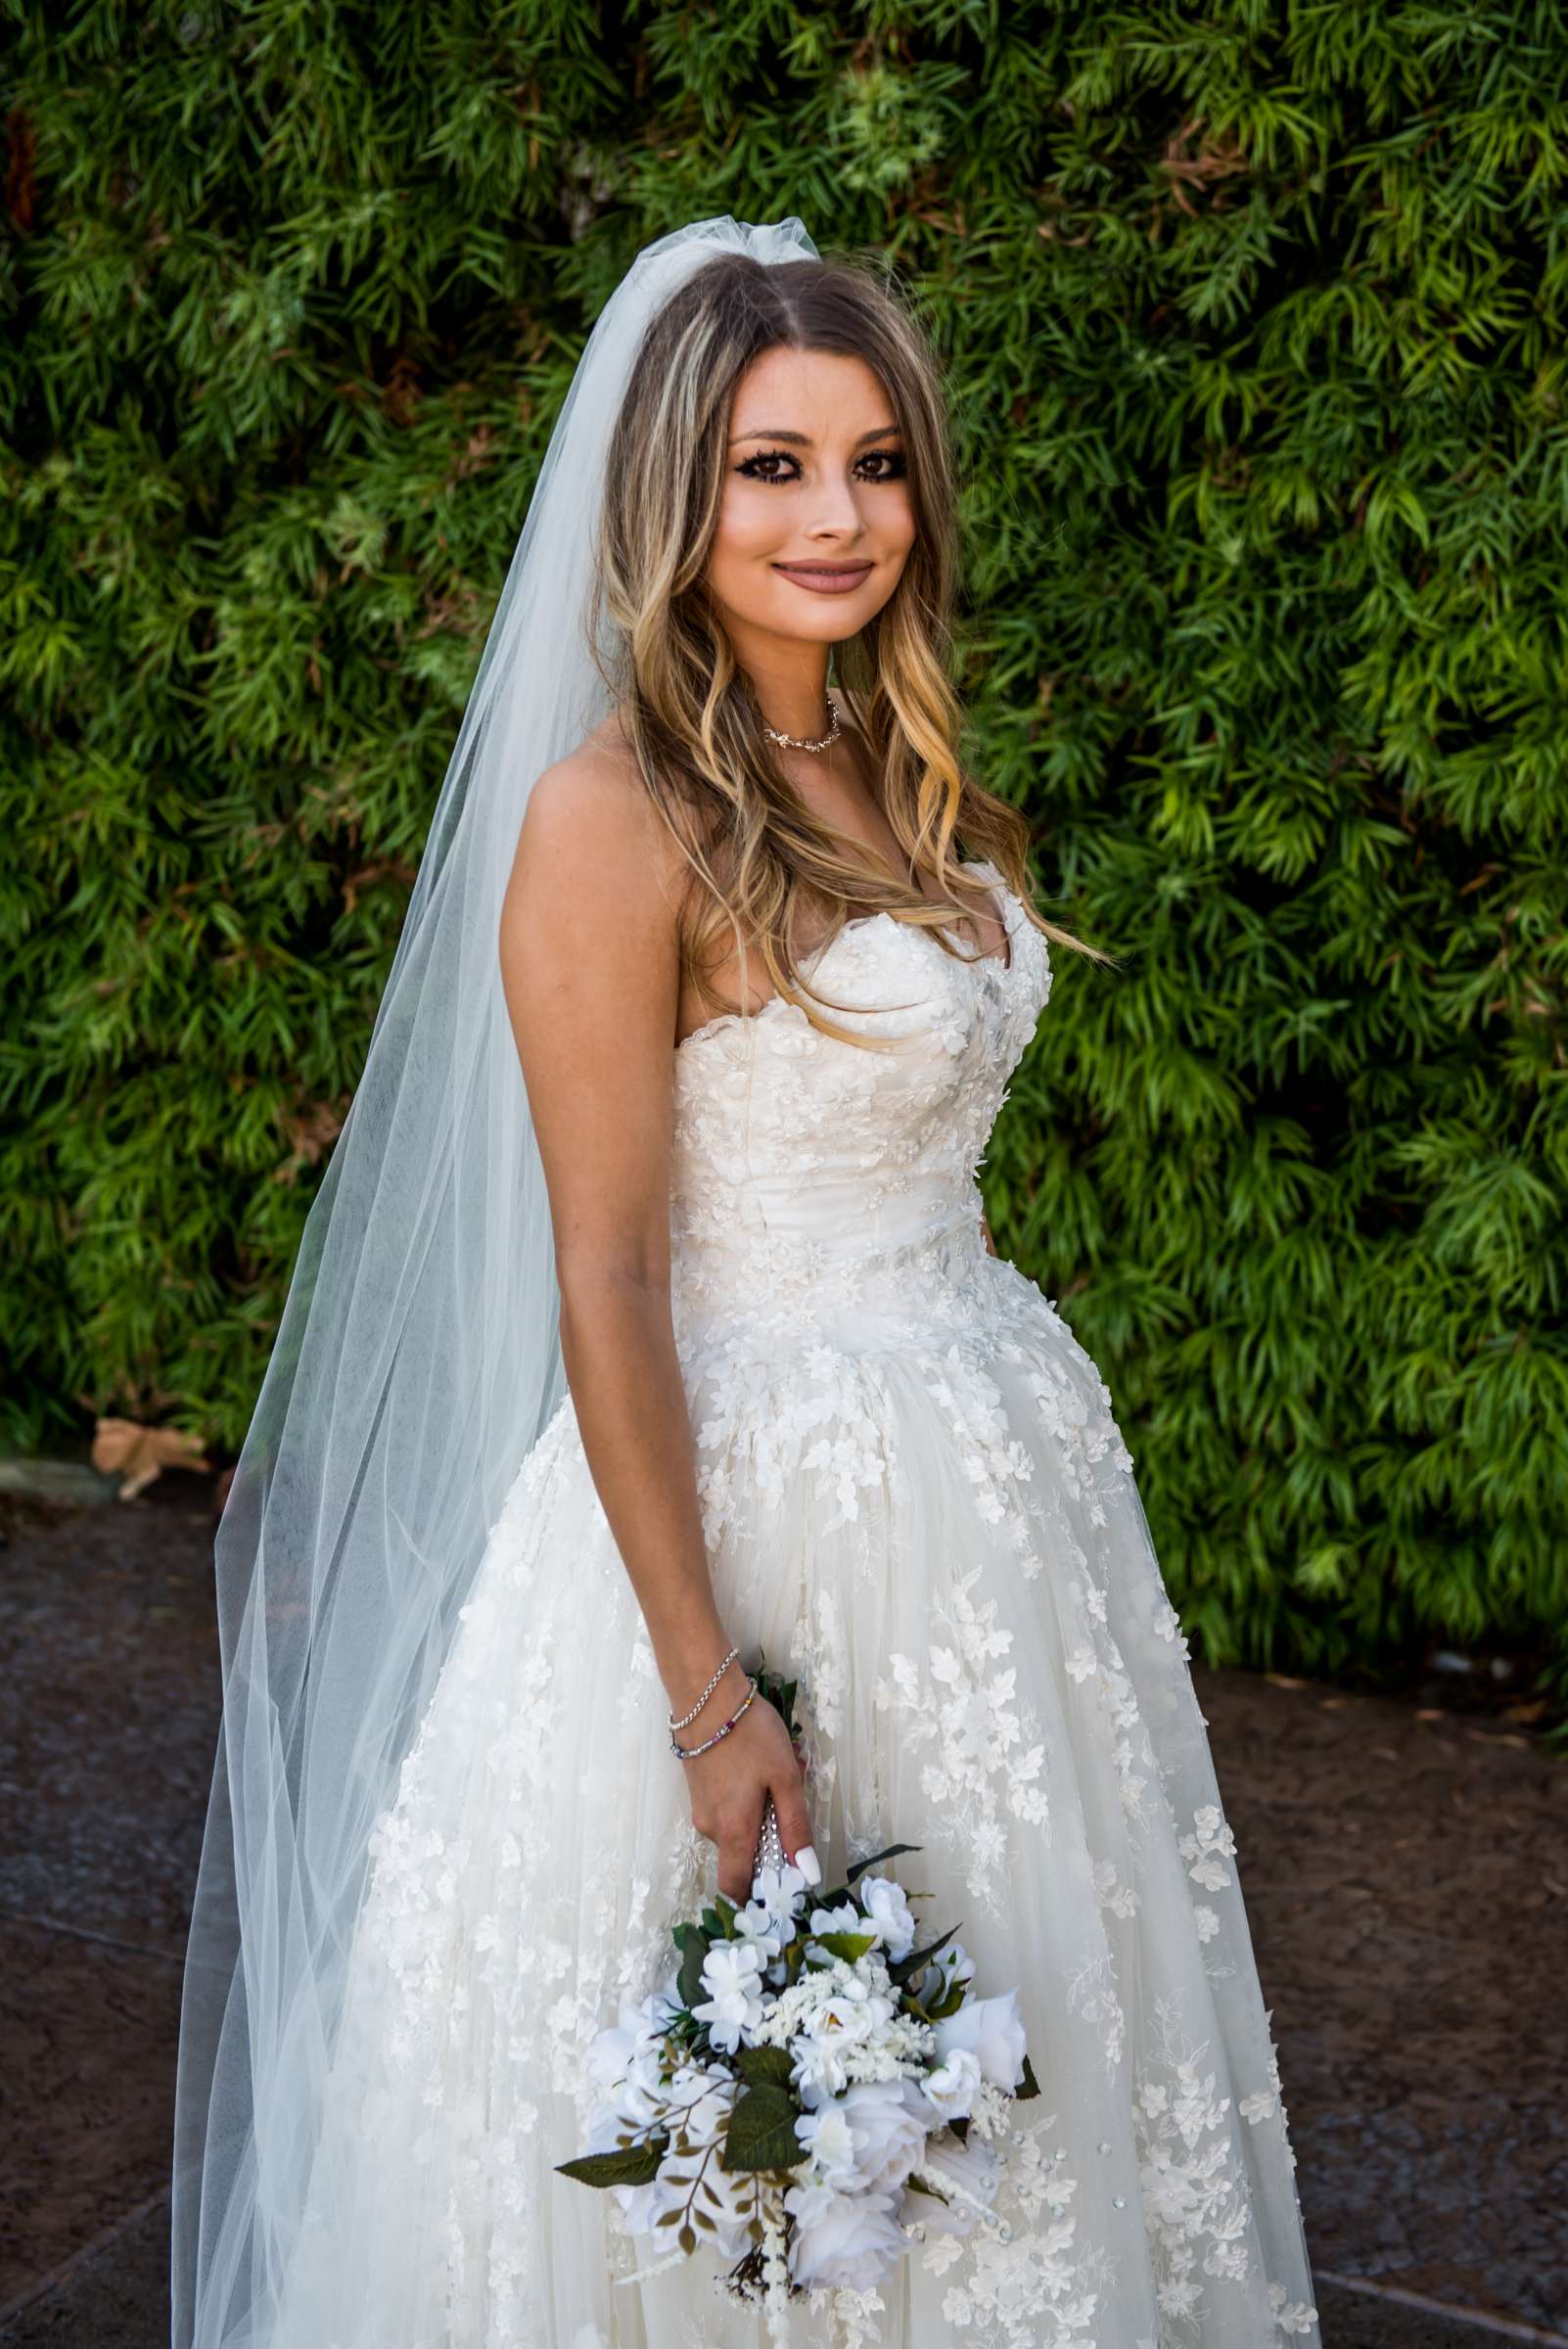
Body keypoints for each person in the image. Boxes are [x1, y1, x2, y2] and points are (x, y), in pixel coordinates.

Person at [171, 216, 1319, 2348]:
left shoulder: (899, 763)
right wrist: (708, 1698)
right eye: (772, 465)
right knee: (737, 2121)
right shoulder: (610, 821)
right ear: (672, 495)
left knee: (1026, 2042)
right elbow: (604, 1274)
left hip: (986, 1476)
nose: (839, 517)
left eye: (877, 463)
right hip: (740, 1496)